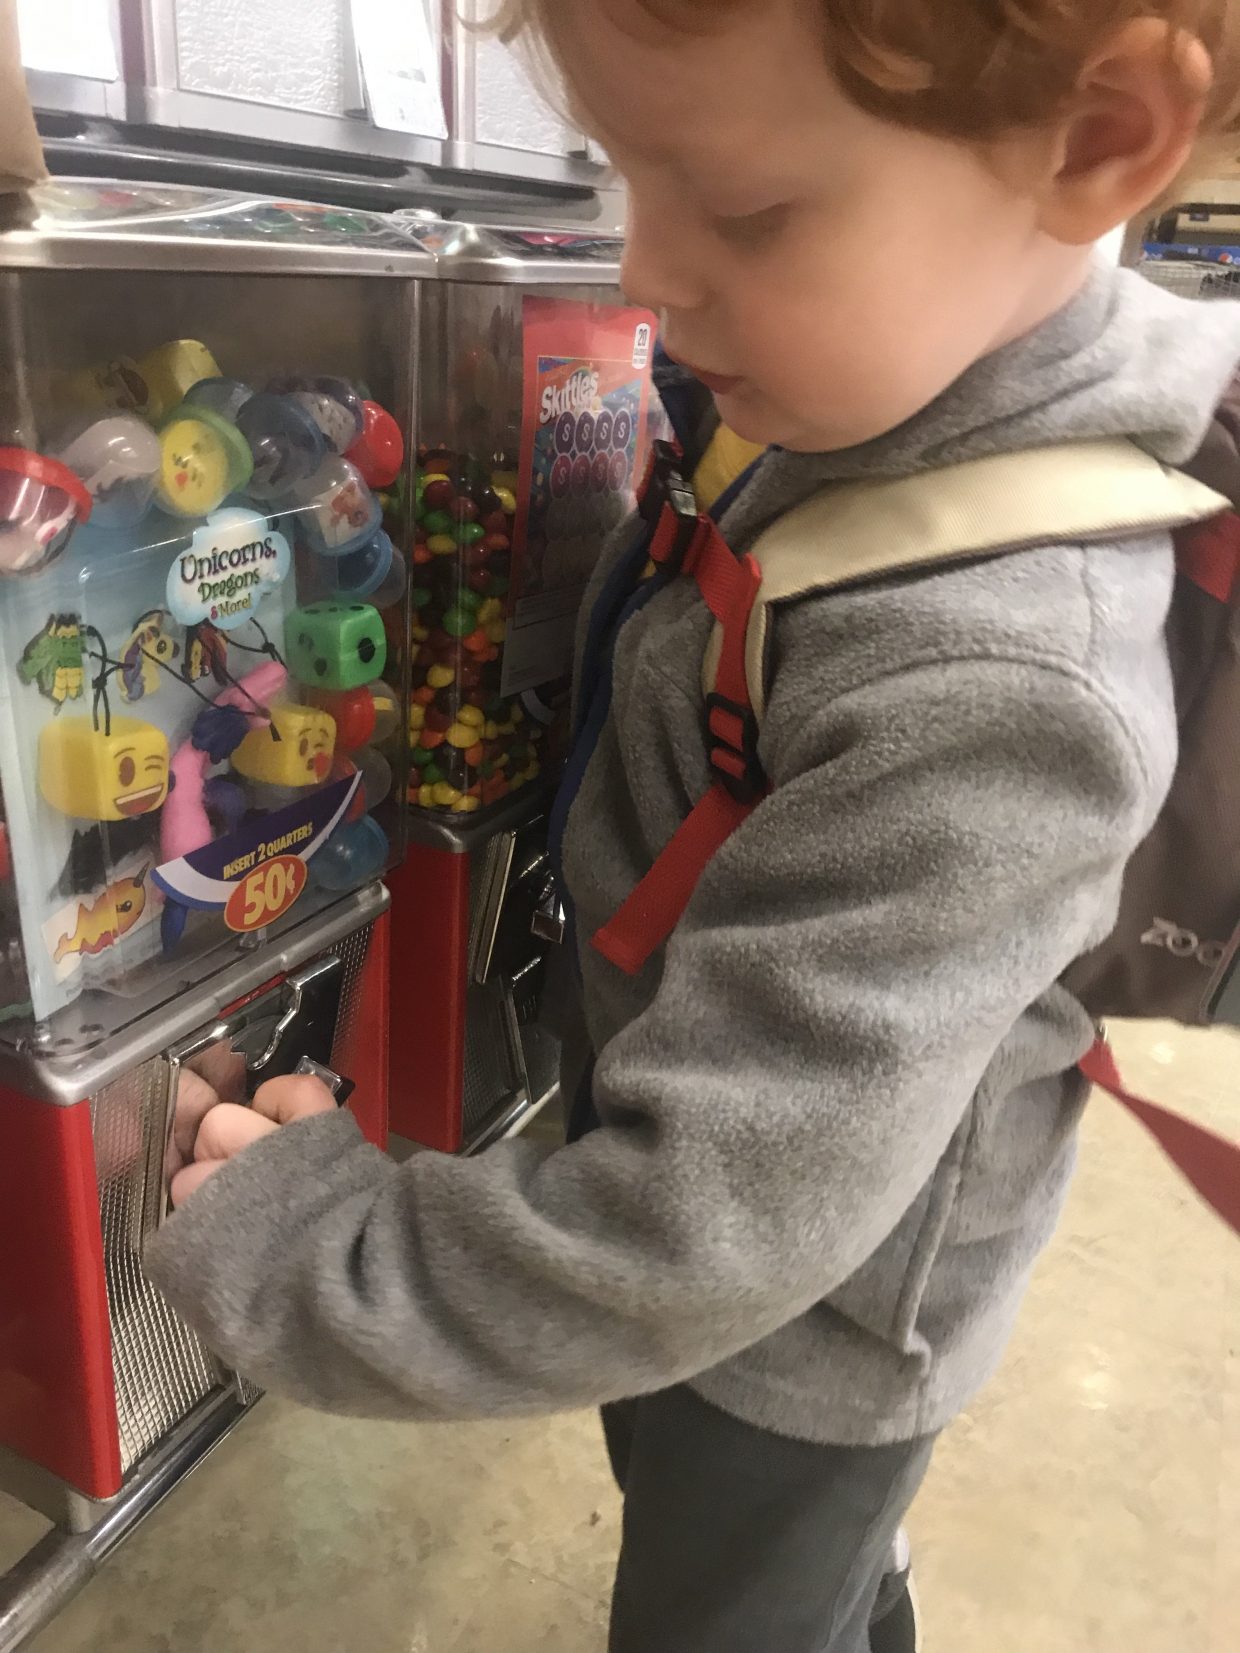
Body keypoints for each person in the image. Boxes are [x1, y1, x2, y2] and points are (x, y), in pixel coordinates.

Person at [149, 5, 1240, 1650]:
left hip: (808, 1339)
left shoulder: (1001, 679)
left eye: (743, 207)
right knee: (770, 1546)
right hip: (719, 1182)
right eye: (619, 171)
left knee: (728, 1607)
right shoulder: (875, 383)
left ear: (1096, 143)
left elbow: (701, 1239)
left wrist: (321, 1251)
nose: (647, 269)